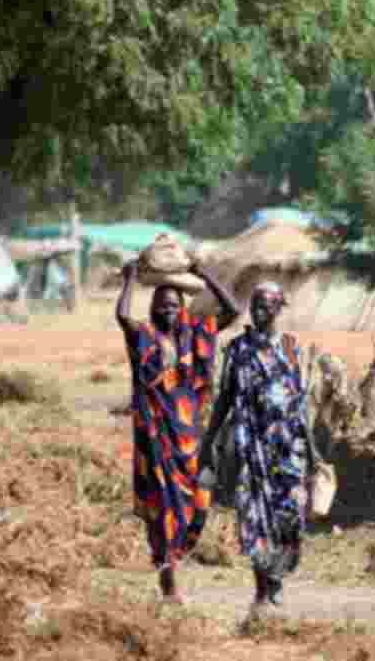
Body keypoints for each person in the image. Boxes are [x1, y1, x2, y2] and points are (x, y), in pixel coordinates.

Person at [115, 259, 242, 604]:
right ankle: (169, 584)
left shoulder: (195, 336)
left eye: (174, 305)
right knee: (163, 508)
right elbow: (123, 318)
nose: (168, 310)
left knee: (199, 503)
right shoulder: (144, 337)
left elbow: (234, 309)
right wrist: (129, 280)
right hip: (155, 439)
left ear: (182, 308)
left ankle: (172, 564)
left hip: (190, 440)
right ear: (153, 308)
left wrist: (207, 275)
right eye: (161, 305)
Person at [200, 281, 313, 618]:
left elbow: (301, 404)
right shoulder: (237, 349)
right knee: (254, 518)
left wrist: (314, 451)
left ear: (280, 308)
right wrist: (209, 442)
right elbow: (224, 397)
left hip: (288, 449)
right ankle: (262, 591)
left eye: (267, 305)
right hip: (251, 446)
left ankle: (277, 577)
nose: (259, 310)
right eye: (255, 304)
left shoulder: (292, 348)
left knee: (289, 517)